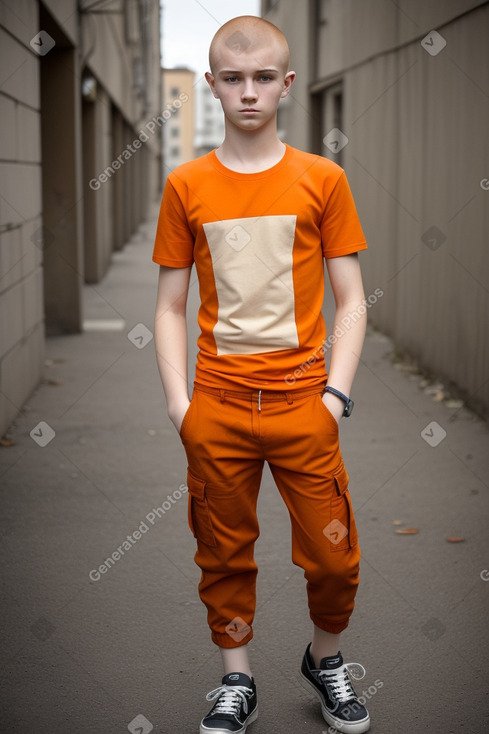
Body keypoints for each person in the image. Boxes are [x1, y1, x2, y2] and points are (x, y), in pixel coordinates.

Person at [153, 14, 370, 734]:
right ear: (211, 84)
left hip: (304, 404)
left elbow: (351, 301)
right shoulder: (186, 185)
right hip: (216, 407)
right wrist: (182, 407)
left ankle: (325, 657)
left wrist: (333, 396)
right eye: (233, 78)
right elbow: (168, 308)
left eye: (262, 78)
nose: (248, 93)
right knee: (222, 551)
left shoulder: (322, 179)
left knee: (332, 559)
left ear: (286, 83)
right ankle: (235, 679)